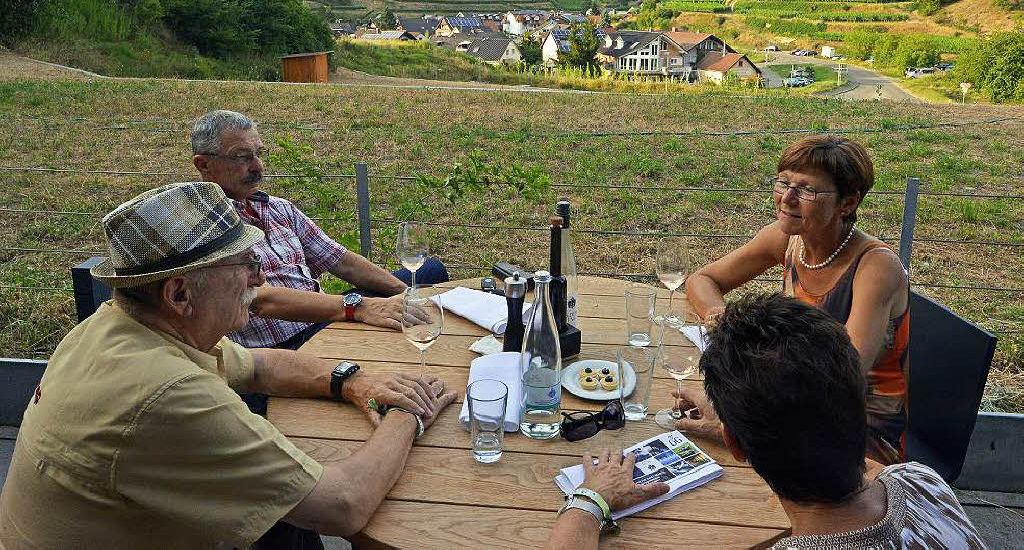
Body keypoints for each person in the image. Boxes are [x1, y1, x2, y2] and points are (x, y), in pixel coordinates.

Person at [0, 182, 455, 549]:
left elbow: (257, 366)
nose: (260, 277)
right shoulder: (168, 393)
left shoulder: (115, 326)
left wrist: (351, 380)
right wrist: (409, 410)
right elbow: (343, 506)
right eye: (245, 263)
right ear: (180, 295)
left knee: (278, 507)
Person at [543, 295, 984, 550]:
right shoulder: (923, 483)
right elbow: (841, 452)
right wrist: (743, 425)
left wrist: (591, 499)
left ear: (735, 446)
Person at [191, 110, 449, 413]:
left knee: (428, 272)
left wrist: (404, 295)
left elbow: (342, 261)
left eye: (259, 154)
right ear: (204, 164)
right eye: (241, 157)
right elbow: (257, 300)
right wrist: (359, 307)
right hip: (276, 352)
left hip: (327, 317)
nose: (257, 166)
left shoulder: (279, 208)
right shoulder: (203, 224)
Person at [686, 135, 909, 464]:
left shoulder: (876, 267)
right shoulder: (788, 239)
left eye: (806, 190)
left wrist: (739, 416)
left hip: (860, 434)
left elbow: (840, 377)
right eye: (783, 183)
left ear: (847, 203)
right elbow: (702, 280)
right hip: (792, 404)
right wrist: (724, 322)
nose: (787, 199)